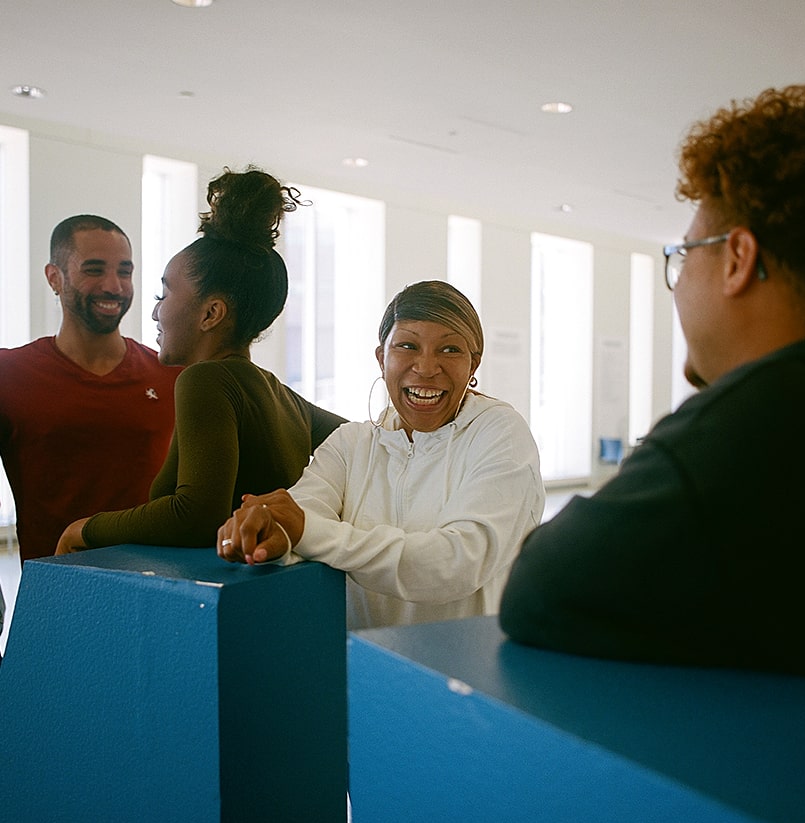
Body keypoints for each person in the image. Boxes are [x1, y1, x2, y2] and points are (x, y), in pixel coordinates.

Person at [499, 84, 805, 704]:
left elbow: (540, 589)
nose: (678, 283)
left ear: (738, 258)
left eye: (684, 255)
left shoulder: (749, 428)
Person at [216, 280, 545, 629]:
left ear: (473, 365)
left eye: (450, 350)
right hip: (363, 666)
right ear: (381, 357)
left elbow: (456, 563)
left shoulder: (500, 434)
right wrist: (270, 533)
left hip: (465, 671)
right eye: (407, 345)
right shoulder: (351, 444)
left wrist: (307, 532)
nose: (427, 367)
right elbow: (300, 515)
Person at [55, 166, 346, 554]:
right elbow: (357, 443)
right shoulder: (281, 396)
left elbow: (194, 514)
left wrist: (84, 530)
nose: (156, 312)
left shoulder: (205, 380)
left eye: (165, 294)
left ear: (211, 314)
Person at [0, 215, 179, 563]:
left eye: (124, 272)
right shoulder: (10, 375)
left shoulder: (170, 375)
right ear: (55, 278)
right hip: (56, 593)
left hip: (157, 589)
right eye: (94, 270)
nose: (113, 286)